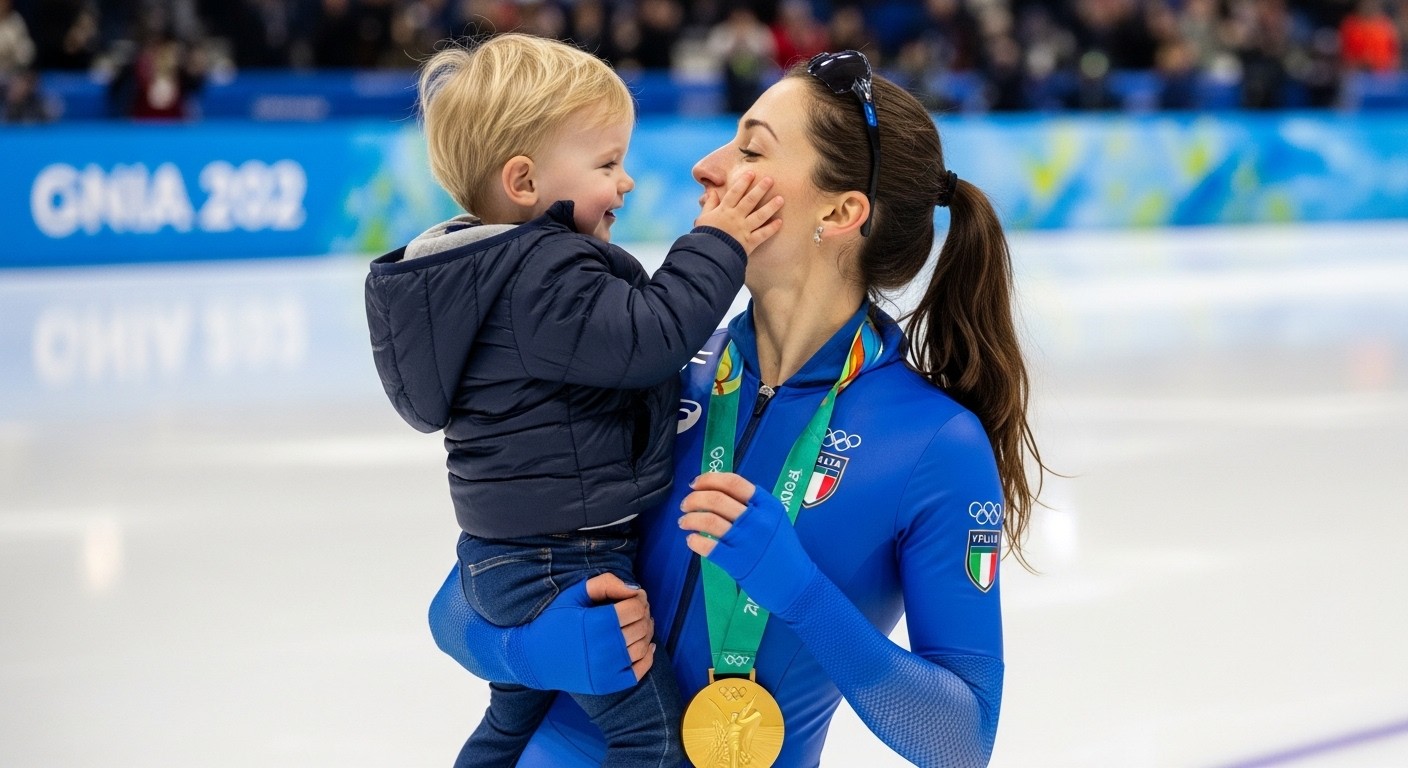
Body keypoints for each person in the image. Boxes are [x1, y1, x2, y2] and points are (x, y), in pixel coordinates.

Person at [426, 49, 1047, 767]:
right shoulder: (642, 362)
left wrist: (802, 593)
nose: (707, 165)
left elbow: (962, 742)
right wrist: (527, 647)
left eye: (751, 147)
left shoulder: (936, 443)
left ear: (841, 212)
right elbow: (458, 603)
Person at [364, 34, 783, 768]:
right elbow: (649, 336)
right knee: (648, 736)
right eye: (606, 164)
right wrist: (717, 242)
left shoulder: (487, 273)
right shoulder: (542, 273)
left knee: (508, 724)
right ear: (524, 182)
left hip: (504, 561)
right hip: (561, 562)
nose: (624, 184)